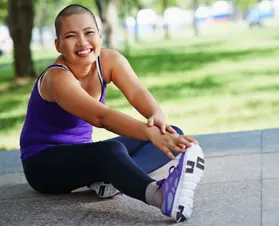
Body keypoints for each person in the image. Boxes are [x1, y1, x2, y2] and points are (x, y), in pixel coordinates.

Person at [19, 4, 205, 223]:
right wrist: (150, 134)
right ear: (58, 45)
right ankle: (161, 195)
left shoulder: (109, 60)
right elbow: (101, 117)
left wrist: (158, 120)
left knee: (174, 133)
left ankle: (111, 181)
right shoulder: (57, 79)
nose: (82, 42)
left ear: (100, 35)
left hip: (82, 155)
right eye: (71, 36)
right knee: (112, 150)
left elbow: (137, 92)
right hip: (43, 166)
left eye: (89, 33)